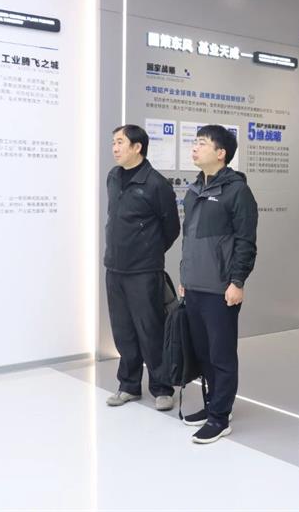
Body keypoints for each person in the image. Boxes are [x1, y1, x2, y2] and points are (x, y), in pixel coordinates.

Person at [179, 125, 258, 444]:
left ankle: (220, 418)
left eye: (202, 143)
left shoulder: (237, 191)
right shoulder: (194, 189)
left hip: (221, 288)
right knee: (203, 353)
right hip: (194, 285)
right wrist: (184, 277)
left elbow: (246, 241)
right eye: (195, 142)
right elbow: (188, 239)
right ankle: (213, 404)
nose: (195, 148)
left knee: (221, 355)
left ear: (221, 153)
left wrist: (237, 281)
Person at [104, 124, 179, 411]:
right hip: (115, 268)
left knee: (151, 330)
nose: (115, 148)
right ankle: (129, 385)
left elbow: (171, 227)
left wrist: (149, 253)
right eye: (114, 142)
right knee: (123, 331)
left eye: (120, 142)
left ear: (137, 147)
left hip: (144, 271)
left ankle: (162, 388)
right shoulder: (113, 177)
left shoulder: (156, 183)